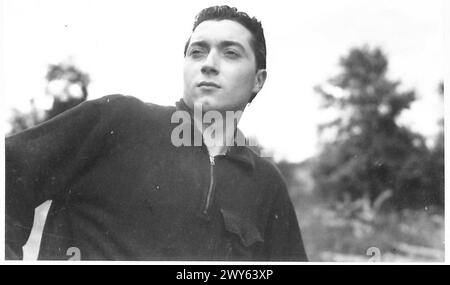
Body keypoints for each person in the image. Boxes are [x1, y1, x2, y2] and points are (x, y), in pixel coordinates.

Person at [5, 5, 308, 261]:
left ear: (258, 80)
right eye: (197, 52)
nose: (209, 65)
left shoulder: (267, 184)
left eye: (230, 53)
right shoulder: (118, 121)